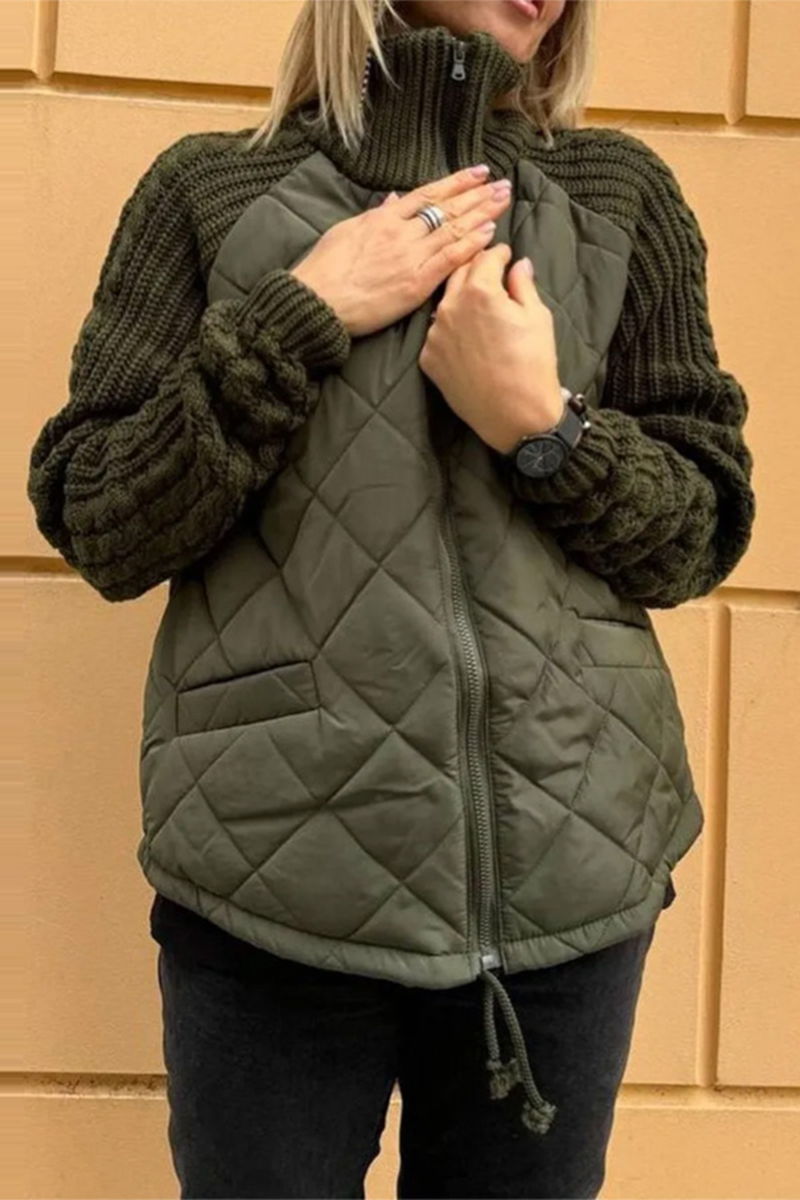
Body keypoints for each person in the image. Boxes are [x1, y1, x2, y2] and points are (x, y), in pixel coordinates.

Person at [27, 0, 755, 1195]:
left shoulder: (617, 194)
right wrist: (297, 317)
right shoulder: (209, 193)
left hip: (568, 879)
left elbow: (696, 534)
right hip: (270, 884)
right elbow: (100, 517)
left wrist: (543, 426)